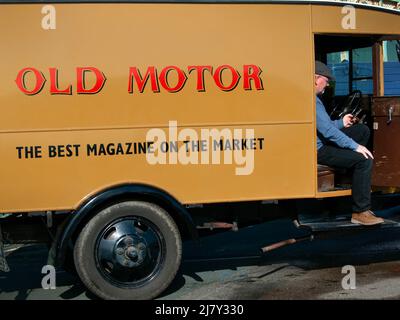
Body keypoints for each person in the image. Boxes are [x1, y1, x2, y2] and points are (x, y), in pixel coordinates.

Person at [315, 60, 384, 226]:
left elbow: (324, 125)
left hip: (321, 141)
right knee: (365, 160)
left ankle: (349, 175)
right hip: (319, 149)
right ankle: (360, 211)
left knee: (362, 130)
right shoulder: (312, 101)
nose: (327, 86)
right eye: (326, 81)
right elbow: (328, 133)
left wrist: (341, 122)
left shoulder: (314, 99)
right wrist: (356, 147)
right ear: (316, 79)